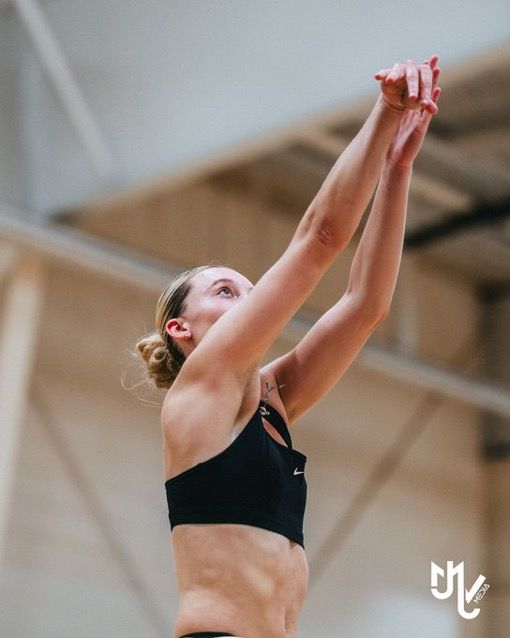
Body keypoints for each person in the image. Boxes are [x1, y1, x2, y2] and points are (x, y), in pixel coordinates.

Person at [136, 56, 441, 638]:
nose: (249, 300)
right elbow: (321, 237)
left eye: (249, 290)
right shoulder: (202, 388)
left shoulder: (271, 395)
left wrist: (398, 168)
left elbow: (364, 306)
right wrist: (385, 112)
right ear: (182, 330)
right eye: (226, 292)